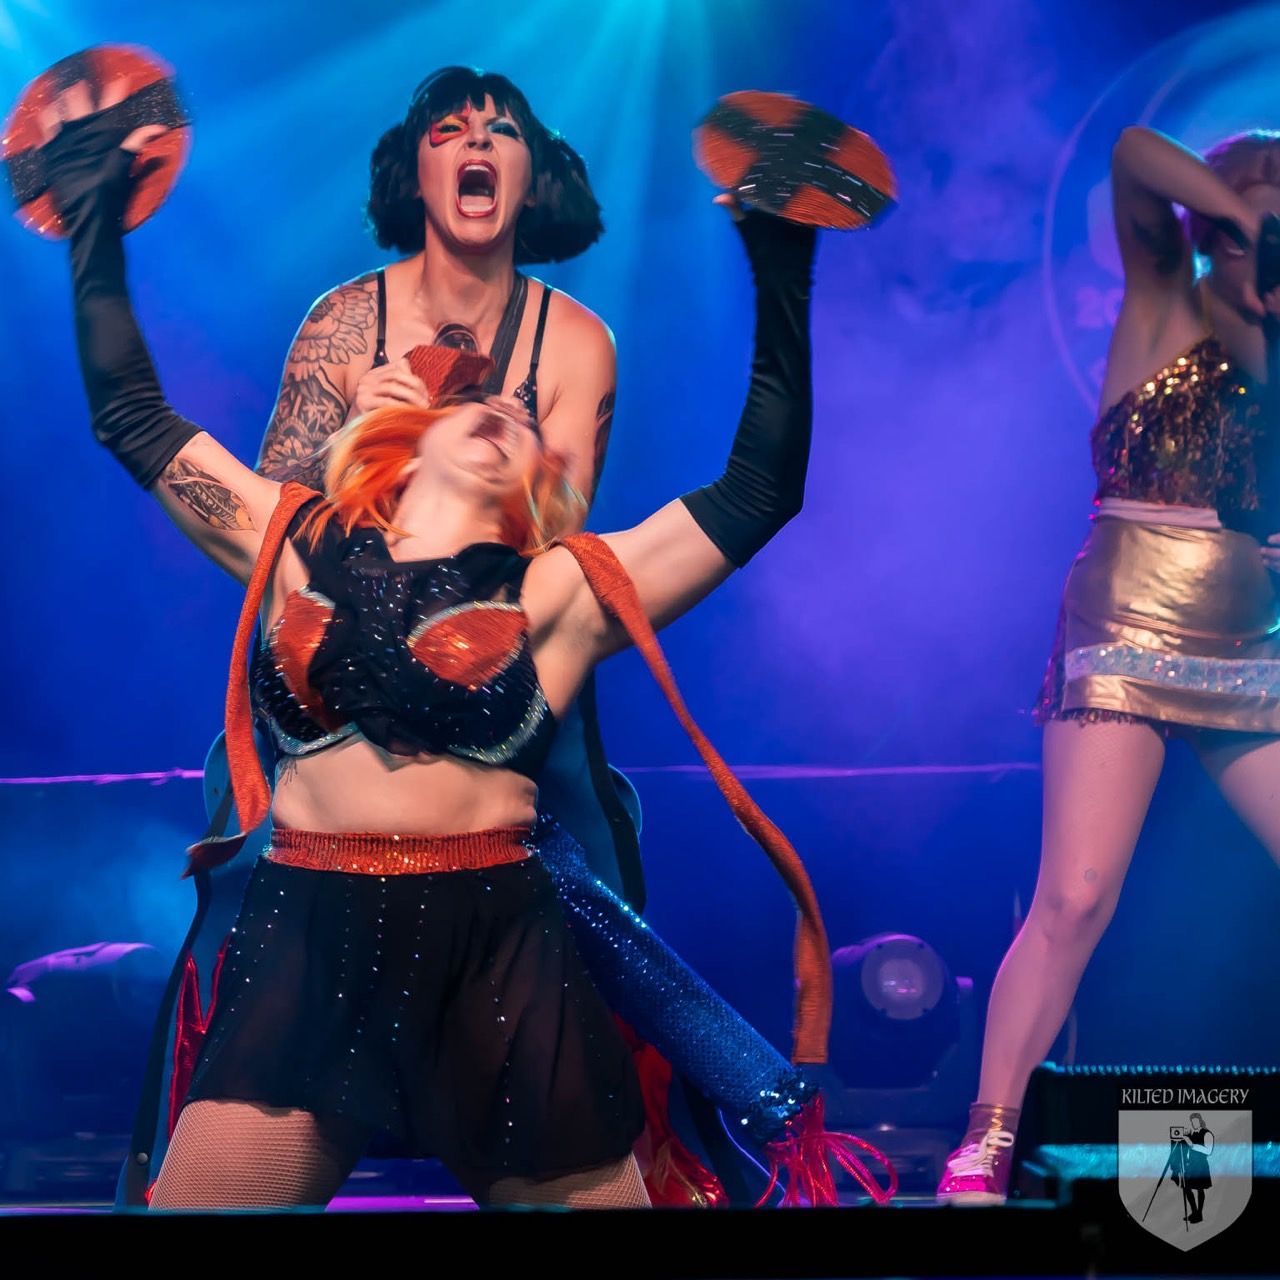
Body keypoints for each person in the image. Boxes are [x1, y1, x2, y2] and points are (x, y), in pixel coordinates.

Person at [41, 75, 841, 1211]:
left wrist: (780, 258)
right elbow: (132, 414)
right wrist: (89, 229)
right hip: (306, 936)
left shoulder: (562, 588)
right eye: (482, 405)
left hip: (498, 947)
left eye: (526, 424)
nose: (508, 408)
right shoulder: (294, 539)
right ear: (405, 437)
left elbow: (760, 487)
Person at [938, 126, 1280, 1204]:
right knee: (1075, 894)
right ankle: (986, 1134)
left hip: (1253, 643)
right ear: (1212, 228)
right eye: (1243, 229)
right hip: (1127, 620)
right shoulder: (1162, 300)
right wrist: (1238, 216)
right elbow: (1132, 150)